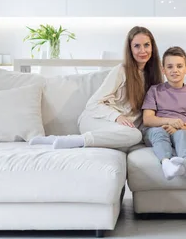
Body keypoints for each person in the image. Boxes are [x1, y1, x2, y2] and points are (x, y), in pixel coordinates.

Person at [29, 26, 163, 150]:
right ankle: (75, 141)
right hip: (95, 119)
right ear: (130, 49)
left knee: (132, 136)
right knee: (134, 136)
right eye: (137, 46)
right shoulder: (122, 71)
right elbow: (93, 104)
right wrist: (117, 116)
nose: (143, 51)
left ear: (153, 47)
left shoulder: (154, 76)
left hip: (121, 129)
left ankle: (58, 140)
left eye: (146, 45)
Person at [142, 46, 186, 180]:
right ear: (163, 70)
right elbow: (147, 119)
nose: (175, 70)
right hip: (156, 129)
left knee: (182, 135)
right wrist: (169, 121)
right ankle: (166, 163)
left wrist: (176, 127)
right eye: (170, 67)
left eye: (179, 66)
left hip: (180, 129)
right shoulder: (154, 90)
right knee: (159, 132)